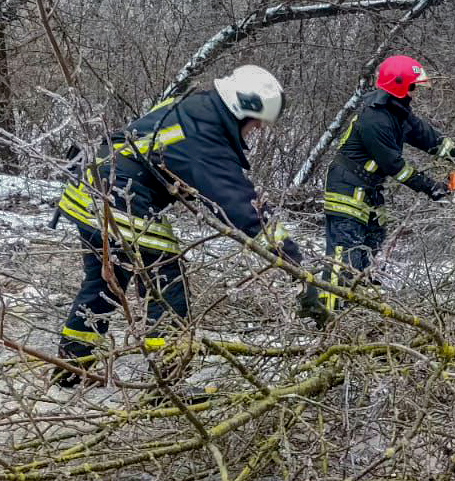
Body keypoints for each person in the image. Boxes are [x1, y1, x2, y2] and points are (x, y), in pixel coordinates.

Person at [54, 65, 327, 386]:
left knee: (104, 282)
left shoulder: (194, 107)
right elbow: (243, 208)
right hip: (119, 199)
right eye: (256, 124)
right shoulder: (205, 136)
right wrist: (297, 268)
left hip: (87, 191)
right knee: (168, 282)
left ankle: (72, 367)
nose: (256, 131)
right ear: (242, 111)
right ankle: (167, 384)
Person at [319, 54, 455, 314]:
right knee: (346, 253)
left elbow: (432, 140)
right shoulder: (375, 119)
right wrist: (431, 186)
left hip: (368, 189)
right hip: (347, 188)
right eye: (412, 86)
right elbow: (395, 166)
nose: (415, 92)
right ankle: (331, 316)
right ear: (400, 86)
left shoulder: (398, 114)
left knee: (372, 246)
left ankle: (358, 308)